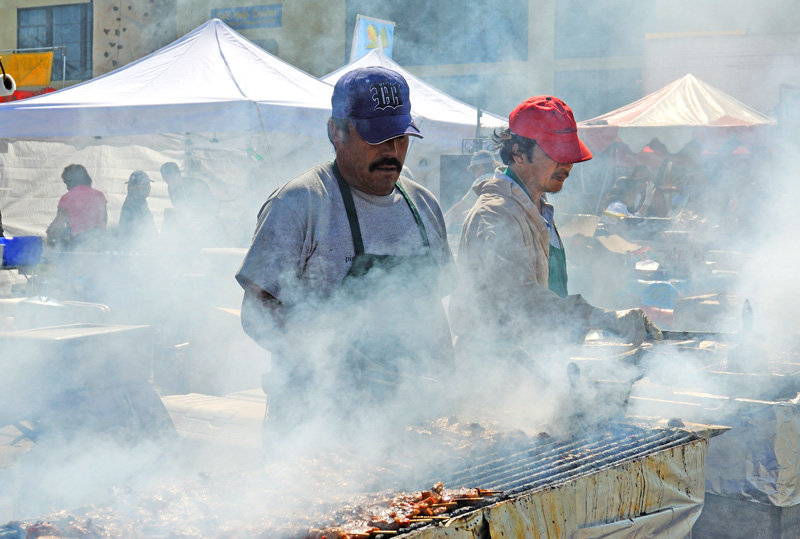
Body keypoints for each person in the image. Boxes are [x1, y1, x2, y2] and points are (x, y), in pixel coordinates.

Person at [236, 67, 456, 441]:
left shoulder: (424, 205)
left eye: (401, 137)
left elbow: (433, 314)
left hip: (412, 422)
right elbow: (257, 313)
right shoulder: (300, 203)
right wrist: (334, 359)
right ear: (335, 132)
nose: (391, 151)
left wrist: (451, 386)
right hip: (316, 427)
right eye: (376, 138)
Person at [450, 95, 661, 372]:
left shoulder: (538, 208)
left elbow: (550, 293)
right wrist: (600, 317)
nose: (567, 165)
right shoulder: (496, 214)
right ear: (518, 153)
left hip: (537, 363)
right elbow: (519, 301)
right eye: (555, 154)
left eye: (569, 154)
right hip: (497, 374)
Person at [46, 164, 107, 251]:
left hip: (79, 243)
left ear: (69, 181)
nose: (67, 187)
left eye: (66, 183)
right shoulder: (99, 195)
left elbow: (58, 227)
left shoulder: (66, 198)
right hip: (102, 241)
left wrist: (50, 234)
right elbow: (104, 219)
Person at [443, 150, 501, 233]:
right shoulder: (500, 177)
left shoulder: (483, 180)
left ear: (480, 167)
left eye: (474, 169)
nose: (474, 174)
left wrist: (444, 220)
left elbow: (462, 206)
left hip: (490, 230)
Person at [118, 170, 158, 250]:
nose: (148, 187)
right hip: (136, 247)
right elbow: (142, 229)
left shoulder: (138, 200)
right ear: (136, 187)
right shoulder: (135, 202)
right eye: (146, 185)